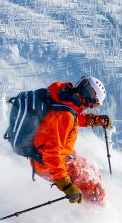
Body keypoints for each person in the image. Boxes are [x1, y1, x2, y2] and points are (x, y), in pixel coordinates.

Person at [31, 76, 111, 204]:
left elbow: (74, 116)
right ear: (90, 100)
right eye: (93, 104)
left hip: (54, 153)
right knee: (94, 189)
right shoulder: (65, 115)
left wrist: (95, 120)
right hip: (47, 162)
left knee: (91, 168)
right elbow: (51, 154)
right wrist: (65, 184)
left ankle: (93, 202)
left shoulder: (63, 96)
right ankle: (98, 211)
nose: (90, 107)